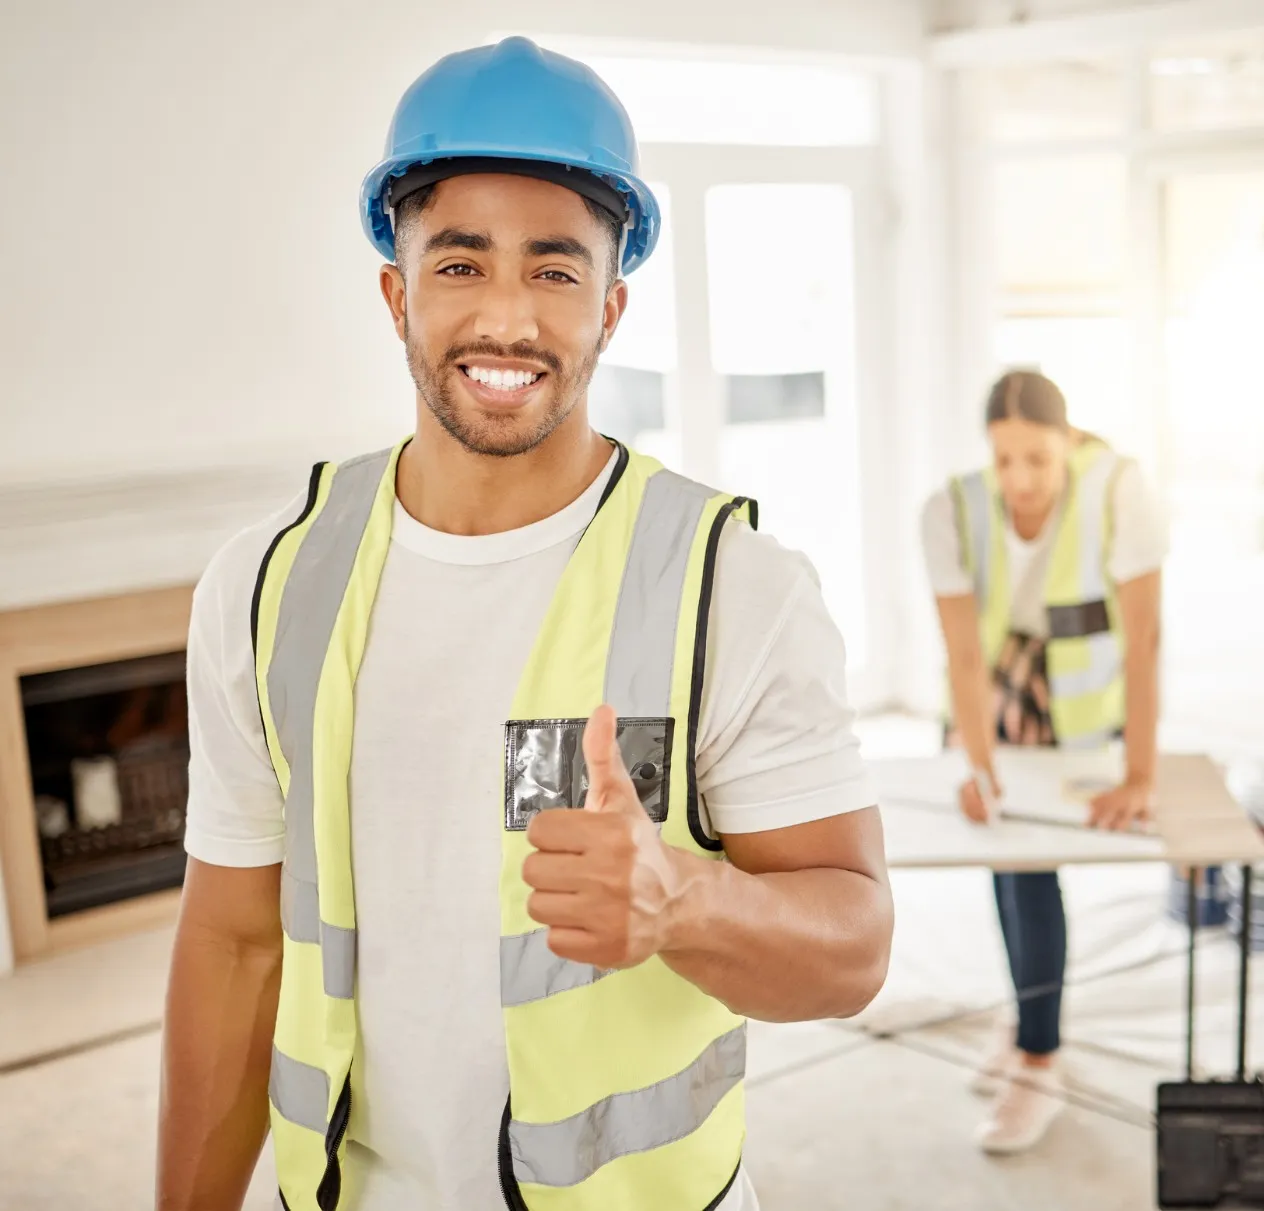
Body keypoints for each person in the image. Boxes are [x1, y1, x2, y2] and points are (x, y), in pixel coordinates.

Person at [156, 38, 893, 1211]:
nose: (506, 318)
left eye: (554, 272)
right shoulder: (268, 583)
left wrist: (687, 901)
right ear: (397, 290)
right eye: (460, 264)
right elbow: (236, 945)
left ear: (612, 304)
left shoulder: (729, 584)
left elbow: (855, 947)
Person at [920, 369, 1165, 1154]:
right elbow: (961, 651)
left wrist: (1140, 773)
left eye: (1039, 459)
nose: (1021, 480)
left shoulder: (1120, 490)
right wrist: (977, 762)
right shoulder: (951, 509)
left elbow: (1144, 640)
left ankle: (1039, 1056)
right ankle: (1030, 1018)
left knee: (1030, 867)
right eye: (1006, 460)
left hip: (1079, 704)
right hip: (996, 690)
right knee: (1005, 855)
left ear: (1070, 442)